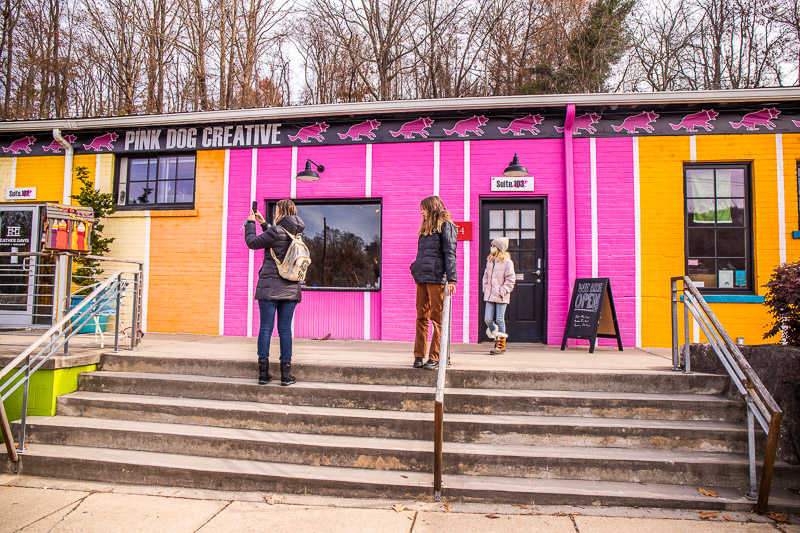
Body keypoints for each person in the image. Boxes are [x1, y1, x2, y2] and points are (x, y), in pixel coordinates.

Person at [245, 199, 304, 386]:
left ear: (280, 211)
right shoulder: (298, 234)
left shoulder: (275, 231)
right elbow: (277, 237)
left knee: (266, 329)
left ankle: (263, 374)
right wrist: (264, 223)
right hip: (290, 288)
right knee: (285, 330)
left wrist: (250, 224)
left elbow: (252, 242)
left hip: (269, 288)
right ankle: (286, 376)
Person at [409, 196, 457, 369]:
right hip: (422, 277)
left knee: (437, 318)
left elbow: (450, 254)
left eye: (423, 208)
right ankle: (418, 355)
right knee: (421, 317)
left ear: (431, 207)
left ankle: (435, 356)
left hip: (437, 278)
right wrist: (415, 267)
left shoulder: (446, 226)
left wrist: (452, 279)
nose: (421, 211)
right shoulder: (424, 229)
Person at [482, 237, 516, 355]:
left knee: (500, 319)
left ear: (499, 248)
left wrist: (503, 291)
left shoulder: (507, 262)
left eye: (494, 246)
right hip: (490, 294)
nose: (491, 248)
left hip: (501, 295)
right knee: (488, 319)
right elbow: (485, 276)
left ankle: (500, 345)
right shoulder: (490, 261)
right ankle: (495, 332)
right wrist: (486, 288)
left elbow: (511, 279)